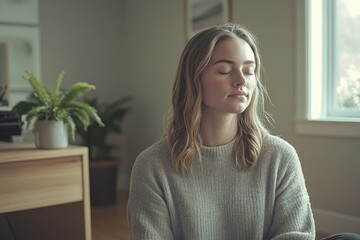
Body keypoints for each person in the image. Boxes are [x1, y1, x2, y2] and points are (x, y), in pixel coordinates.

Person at [127, 22, 358, 239]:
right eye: (225, 71)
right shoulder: (152, 166)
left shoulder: (280, 157)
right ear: (194, 80)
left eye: (249, 71)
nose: (241, 80)